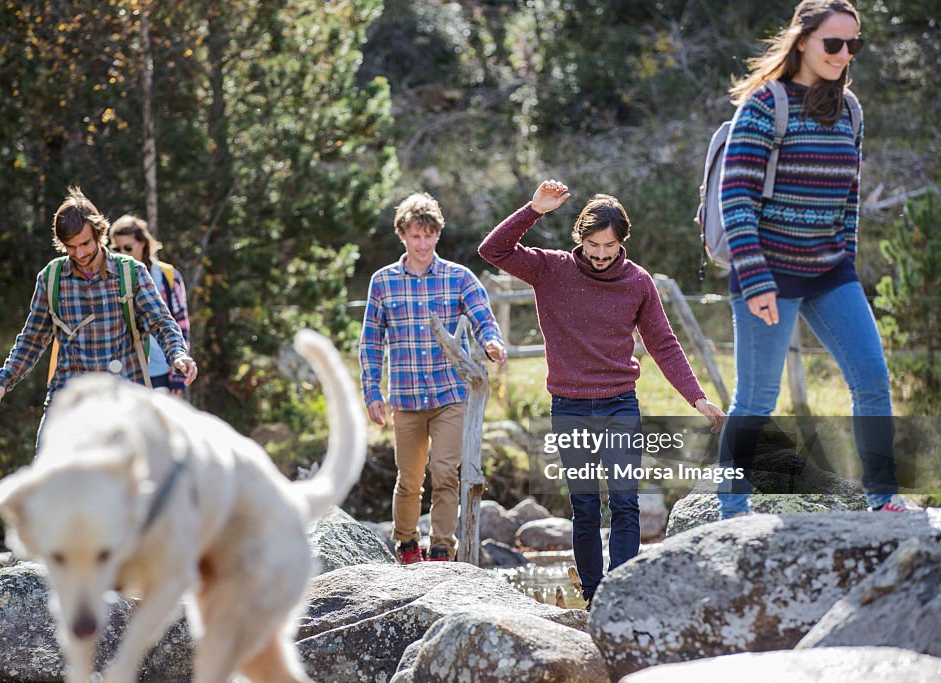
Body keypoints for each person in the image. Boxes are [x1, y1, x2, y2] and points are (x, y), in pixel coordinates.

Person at [479, 180, 724, 607]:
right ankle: (593, 597)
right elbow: (493, 251)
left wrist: (696, 397)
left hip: (619, 405)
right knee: (586, 508)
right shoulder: (549, 269)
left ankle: (622, 592)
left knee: (626, 504)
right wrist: (533, 210)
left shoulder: (637, 282)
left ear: (621, 243)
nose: (599, 255)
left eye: (608, 247)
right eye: (592, 245)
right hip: (569, 406)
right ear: (581, 238)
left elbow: (664, 343)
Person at [716, 0, 910, 518]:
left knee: (871, 379)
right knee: (756, 399)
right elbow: (734, 197)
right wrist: (755, 280)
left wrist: (844, 261)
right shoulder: (765, 103)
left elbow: (849, 198)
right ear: (803, 41)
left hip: (830, 272)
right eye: (833, 43)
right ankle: (731, 511)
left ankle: (883, 498)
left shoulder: (850, 110)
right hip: (768, 271)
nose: (844, 54)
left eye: (854, 45)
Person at [0, 188, 197, 439]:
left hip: (124, 396)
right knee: (48, 469)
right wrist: (2, 382)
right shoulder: (51, 278)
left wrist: (178, 355)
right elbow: (31, 340)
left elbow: (161, 323)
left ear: (99, 234)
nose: (80, 254)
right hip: (70, 399)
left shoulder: (131, 273)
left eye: (85, 244)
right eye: (71, 247)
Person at [360, 192, 507, 564]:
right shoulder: (383, 282)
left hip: (450, 394)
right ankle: (407, 545)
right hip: (406, 398)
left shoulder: (459, 277)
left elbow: (483, 319)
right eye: (415, 236)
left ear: (437, 235)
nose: (422, 244)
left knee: (445, 472)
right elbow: (371, 341)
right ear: (403, 236)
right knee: (409, 478)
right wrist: (371, 390)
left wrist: (492, 342)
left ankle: (442, 548)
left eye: (428, 236)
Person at [109, 215, 192, 396]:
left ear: (143, 244)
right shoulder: (111, 279)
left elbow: (181, 324)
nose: (123, 252)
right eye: (117, 248)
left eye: (128, 247)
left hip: (161, 370)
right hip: (123, 371)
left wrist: (178, 377)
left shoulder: (168, 276)